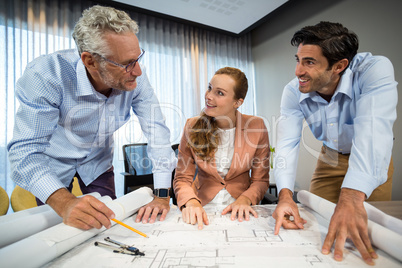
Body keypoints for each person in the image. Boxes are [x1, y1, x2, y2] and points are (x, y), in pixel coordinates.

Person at [7, 5, 177, 230]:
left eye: (137, 59)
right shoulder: (47, 75)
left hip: (98, 163)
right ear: (90, 61)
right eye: (127, 64)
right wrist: (65, 203)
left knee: (107, 224)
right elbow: (24, 152)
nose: (138, 72)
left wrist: (162, 195)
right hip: (54, 164)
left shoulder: (134, 78)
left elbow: (158, 134)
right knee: (61, 232)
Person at [272, 21, 397, 265]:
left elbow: (372, 130)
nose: (298, 71)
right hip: (329, 155)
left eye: (309, 62)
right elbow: (286, 143)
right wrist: (285, 194)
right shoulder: (293, 90)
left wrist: (351, 197)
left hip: (369, 156)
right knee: (315, 219)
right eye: (297, 60)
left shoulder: (374, 69)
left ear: (339, 66)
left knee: (371, 230)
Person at [173, 67, 270, 229]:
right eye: (210, 88)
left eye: (220, 93)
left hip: (240, 210)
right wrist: (191, 202)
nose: (209, 96)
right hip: (202, 208)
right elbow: (183, 178)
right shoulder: (192, 125)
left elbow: (260, 180)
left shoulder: (256, 126)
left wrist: (245, 199)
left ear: (237, 102)